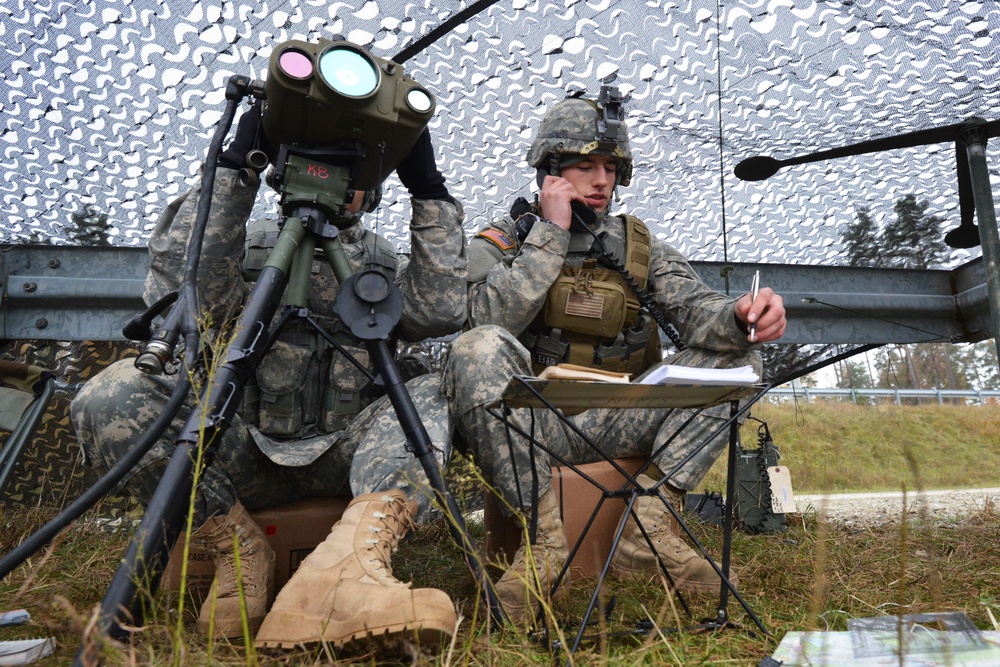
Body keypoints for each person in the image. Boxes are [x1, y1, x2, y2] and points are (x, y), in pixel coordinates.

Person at [70, 107, 466, 651]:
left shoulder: (383, 264)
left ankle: (351, 570)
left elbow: (441, 313)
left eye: (351, 164)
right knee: (112, 394)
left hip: (345, 458)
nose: (335, 176)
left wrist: (430, 190)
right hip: (242, 454)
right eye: (321, 158)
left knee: (428, 388)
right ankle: (236, 549)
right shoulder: (245, 244)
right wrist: (236, 168)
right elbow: (183, 285)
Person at [440, 88, 787, 624]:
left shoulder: (637, 245)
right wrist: (550, 237)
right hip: (532, 427)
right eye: (585, 166)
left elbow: (697, 309)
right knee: (476, 347)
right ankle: (545, 545)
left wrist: (742, 315)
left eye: (610, 167)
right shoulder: (503, 241)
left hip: (621, 418)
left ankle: (646, 529)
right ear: (550, 171)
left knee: (742, 361)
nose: (602, 180)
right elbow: (478, 325)